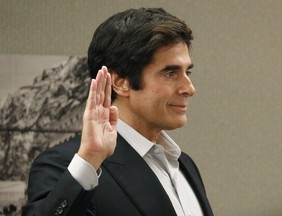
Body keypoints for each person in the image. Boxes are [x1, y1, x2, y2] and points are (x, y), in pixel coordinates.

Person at [22, 7, 213, 216]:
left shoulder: (184, 164)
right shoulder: (66, 166)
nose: (189, 88)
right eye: (170, 73)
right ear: (121, 83)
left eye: (188, 72)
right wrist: (90, 160)